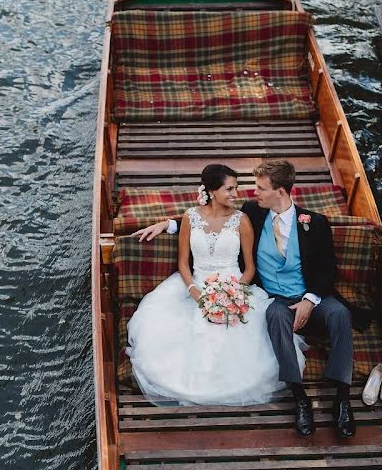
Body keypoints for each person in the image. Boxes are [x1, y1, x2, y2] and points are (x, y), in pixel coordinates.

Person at [134, 160, 357, 438]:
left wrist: (310, 300)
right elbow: (208, 219)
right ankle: (300, 398)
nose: (253, 194)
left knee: (340, 314)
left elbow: (327, 269)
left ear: (281, 192)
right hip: (274, 297)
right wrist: (168, 224)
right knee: (274, 316)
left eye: (261, 188)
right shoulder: (253, 212)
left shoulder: (315, 222)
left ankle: (343, 398)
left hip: (310, 295)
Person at [126, 164, 305, 407]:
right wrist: (194, 291)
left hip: (233, 285)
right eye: (229, 189)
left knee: (236, 337)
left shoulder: (242, 220)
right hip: (194, 284)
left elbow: (250, 267)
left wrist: (234, 293)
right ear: (211, 191)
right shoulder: (190, 218)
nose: (236, 194)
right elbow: (183, 263)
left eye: (236, 188)